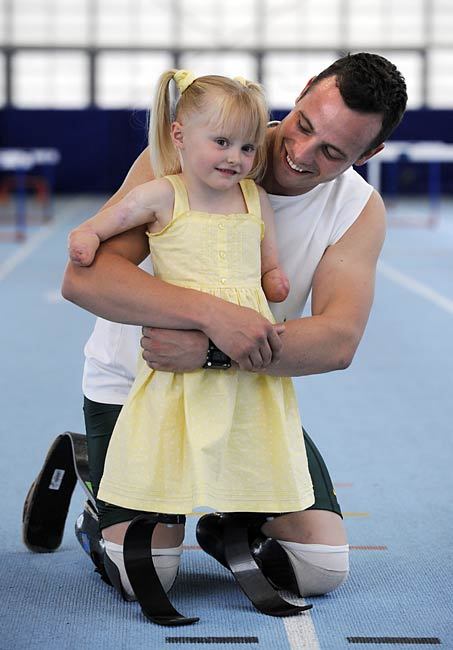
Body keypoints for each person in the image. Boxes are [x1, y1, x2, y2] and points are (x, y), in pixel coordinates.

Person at [56, 52, 407, 602]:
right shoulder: (187, 152)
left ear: (372, 152)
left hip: (245, 396)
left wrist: (211, 352)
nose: (299, 153)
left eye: (333, 151)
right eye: (304, 125)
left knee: (318, 566)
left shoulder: (359, 210)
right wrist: (212, 315)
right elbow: (85, 280)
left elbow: (338, 340)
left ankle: (230, 521)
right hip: (136, 388)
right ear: (306, 87)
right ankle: (94, 483)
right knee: (145, 574)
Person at [66, 68, 316, 600]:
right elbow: (113, 220)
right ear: (179, 135)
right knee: (147, 566)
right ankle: (103, 490)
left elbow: (268, 255)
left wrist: (273, 276)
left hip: (242, 363)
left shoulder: (253, 197)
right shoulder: (163, 192)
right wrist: (88, 234)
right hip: (172, 351)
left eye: (248, 147)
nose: (235, 157)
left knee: (252, 439)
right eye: (221, 142)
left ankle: (235, 522)